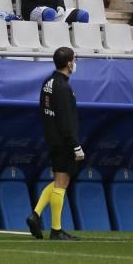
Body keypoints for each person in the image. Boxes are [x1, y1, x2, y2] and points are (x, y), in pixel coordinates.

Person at [26, 47, 83, 241]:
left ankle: (35, 214)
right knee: (62, 183)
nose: (74, 63)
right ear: (68, 63)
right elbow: (66, 120)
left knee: (58, 181)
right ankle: (56, 230)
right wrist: (75, 145)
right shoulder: (64, 87)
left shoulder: (47, 82)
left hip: (51, 137)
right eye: (74, 59)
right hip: (64, 140)